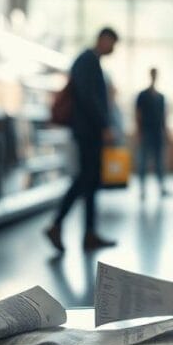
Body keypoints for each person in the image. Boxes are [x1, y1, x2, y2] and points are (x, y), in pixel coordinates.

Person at [45, 27, 119, 252]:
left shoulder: (89, 61)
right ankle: (57, 225)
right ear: (103, 39)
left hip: (89, 130)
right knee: (85, 179)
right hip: (89, 131)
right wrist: (104, 125)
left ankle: (88, 233)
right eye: (112, 43)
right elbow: (88, 98)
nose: (113, 48)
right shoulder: (87, 61)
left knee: (90, 181)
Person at [135, 68, 171, 199]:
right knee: (143, 161)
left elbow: (163, 117)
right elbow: (138, 115)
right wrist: (139, 132)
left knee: (159, 161)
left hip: (157, 133)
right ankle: (142, 189)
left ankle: (161, 187)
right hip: (146, 131)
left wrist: (166, 132)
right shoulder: (142, 95)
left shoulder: (161, 97)